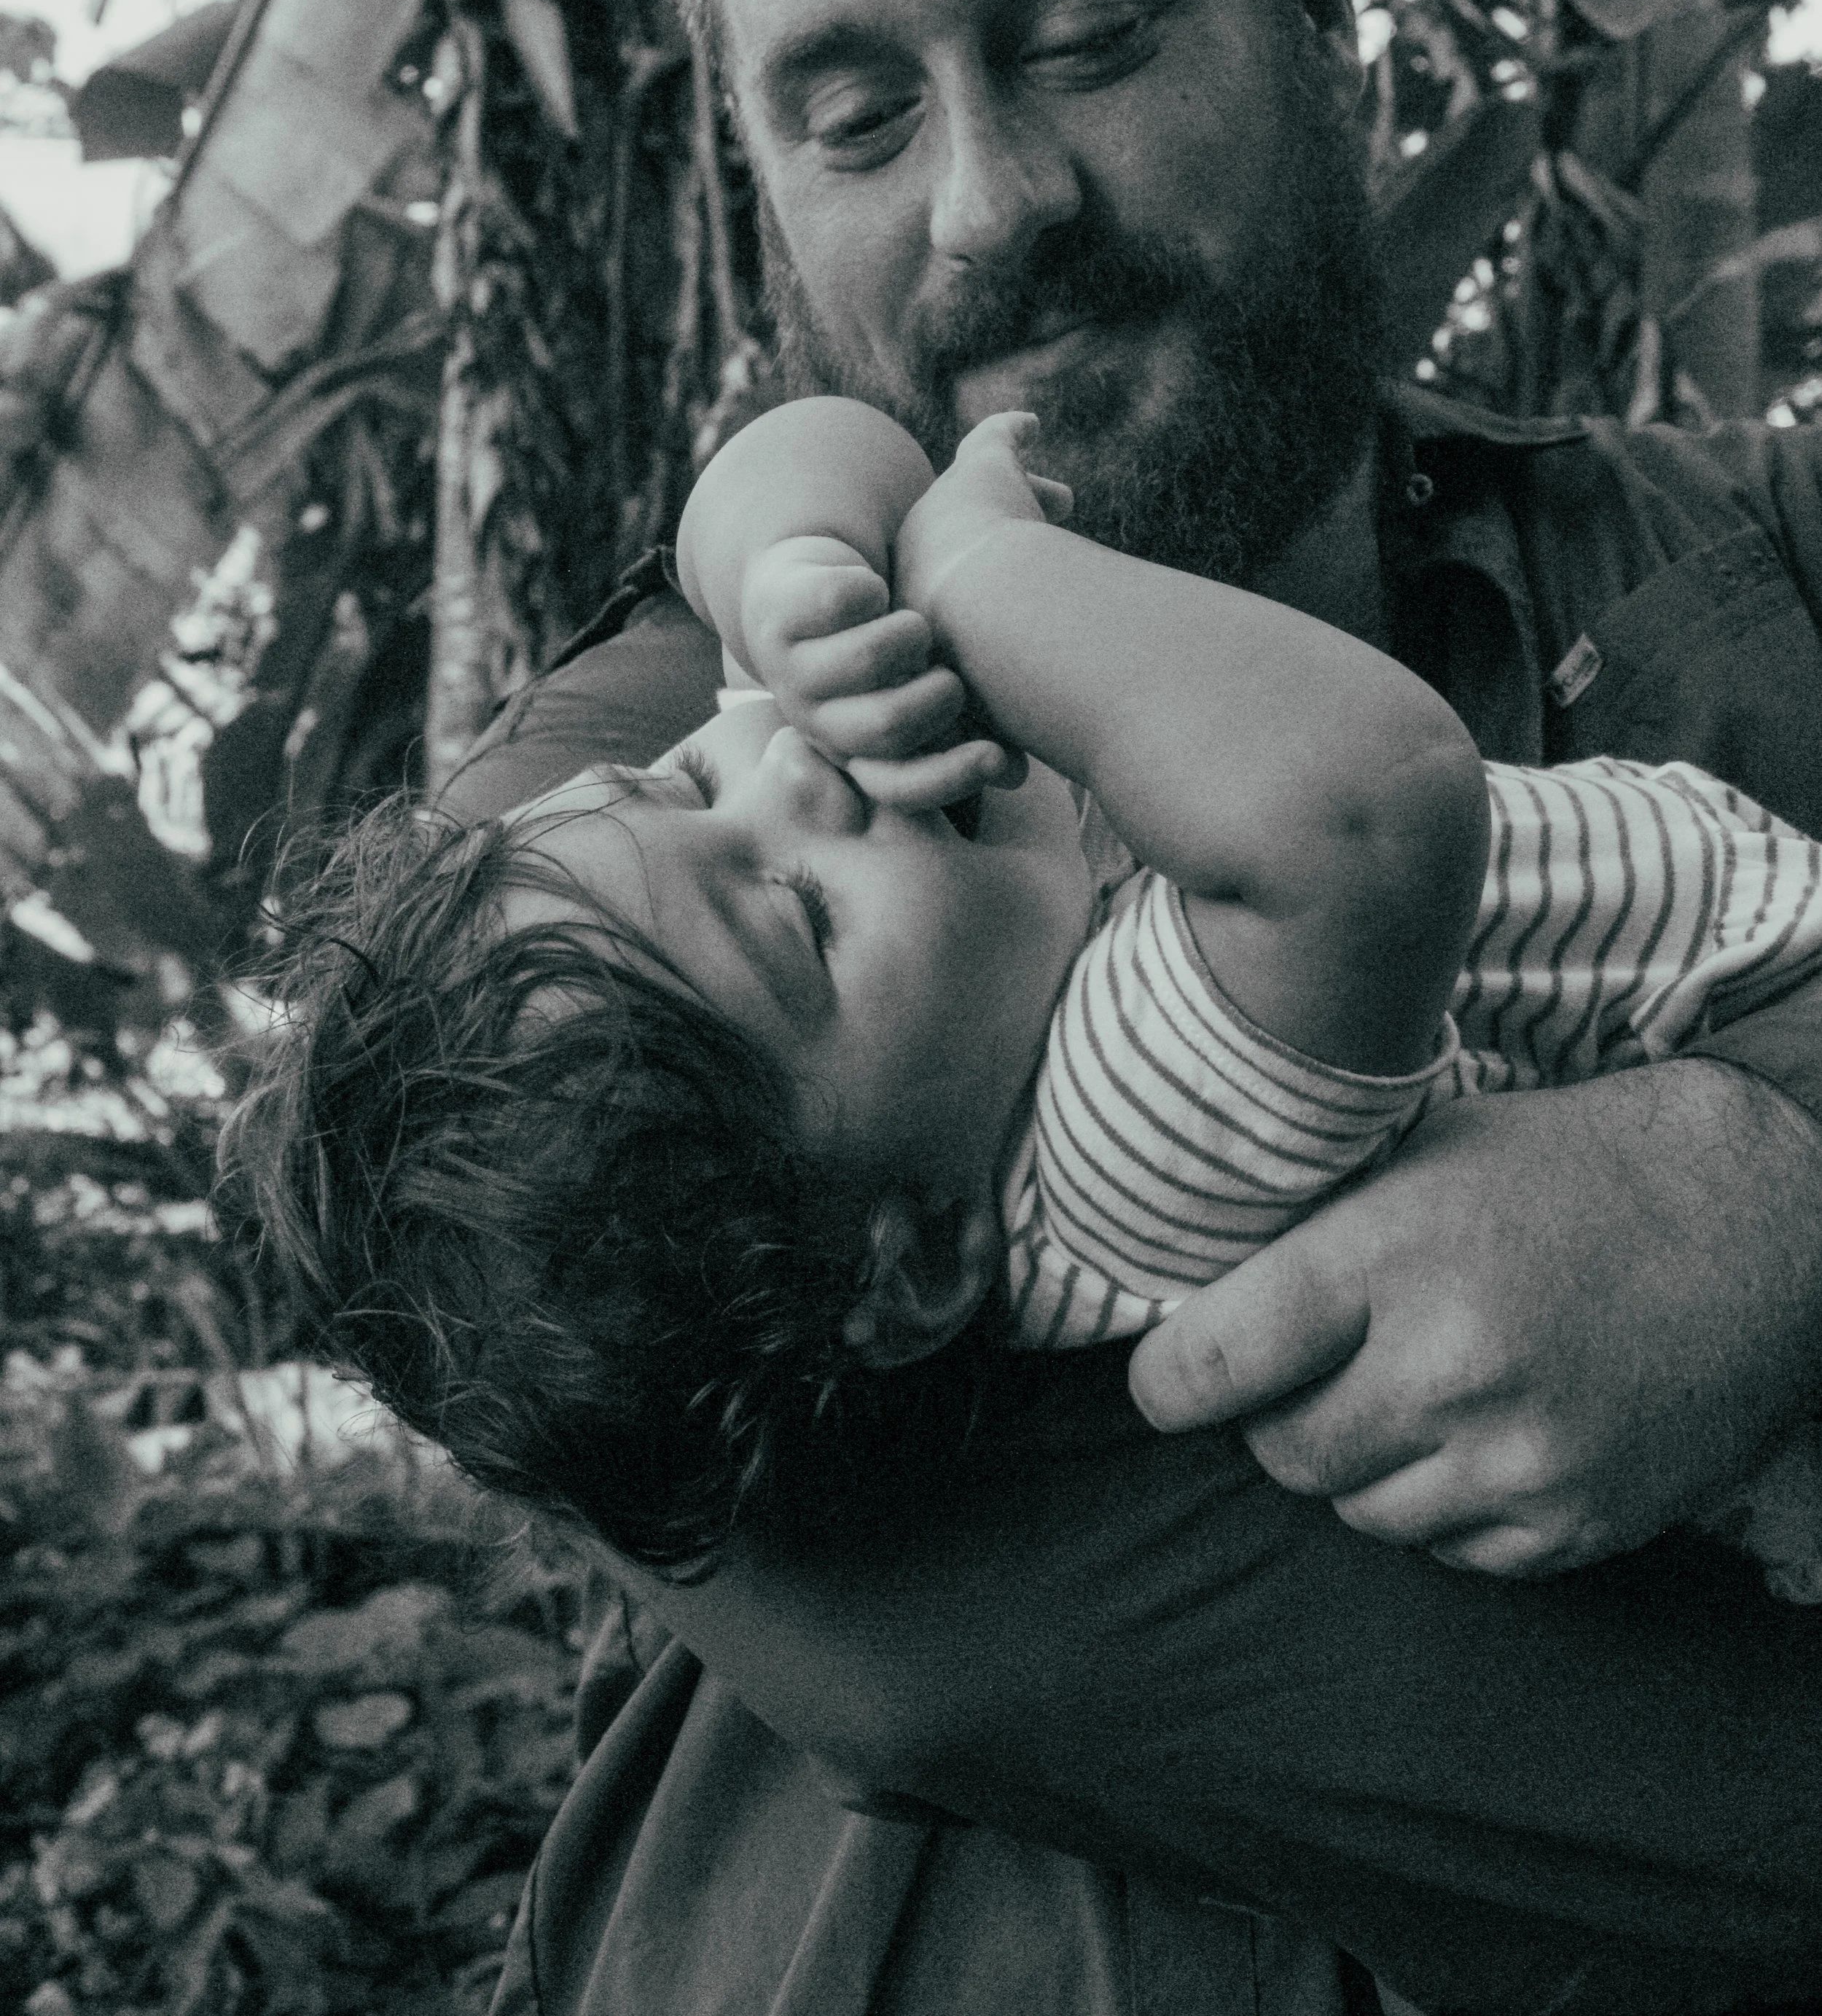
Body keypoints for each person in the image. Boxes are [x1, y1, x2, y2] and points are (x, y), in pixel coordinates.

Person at [295, 0, 1822, 2012]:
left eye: (1086, 35)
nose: (994, 202)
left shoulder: (1753, 557)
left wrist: (1783, 1178)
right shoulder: (661, 769)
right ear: (766, 179)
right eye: (853, 114)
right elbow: (897, 1617)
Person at [231, 390, 1822, 1610]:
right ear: (915, 1259)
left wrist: (789, 569)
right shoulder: (1111, 1150)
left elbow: (799, 448)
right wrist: (982, 565)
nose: (787, 762)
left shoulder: (913, 897)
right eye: (793, 914)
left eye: (675, 775)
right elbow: (1366, 813)